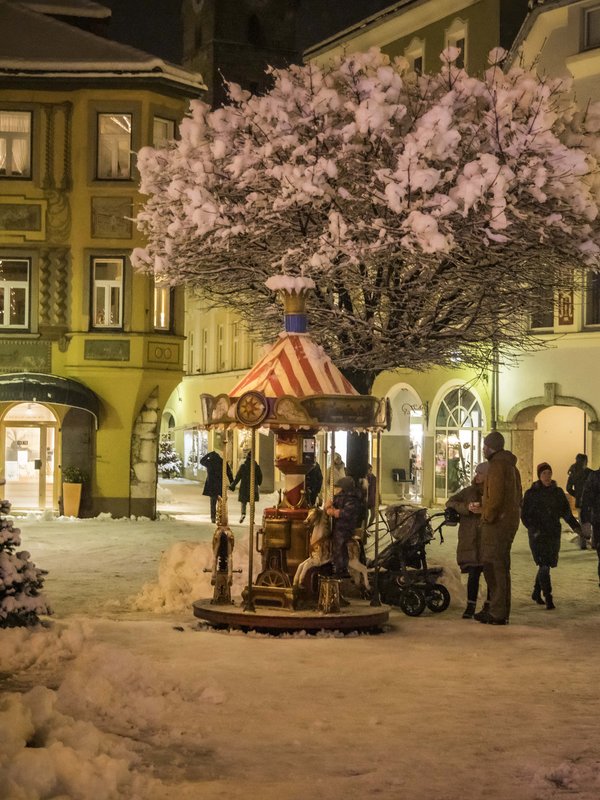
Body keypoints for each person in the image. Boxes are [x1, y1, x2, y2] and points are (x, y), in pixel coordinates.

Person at [473, 430, 522, 626]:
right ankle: (498, 608)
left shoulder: (497, 466)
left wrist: (486, 515)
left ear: (490, 447)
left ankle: (497, 611)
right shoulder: (511, 466)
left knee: (494, 566)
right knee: (500, 565)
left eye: (485, 446)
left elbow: (495, 498)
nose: (483, 449)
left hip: (497, 524)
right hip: (508, 522)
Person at [521, 462, 582, 610]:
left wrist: (576, 527)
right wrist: (533, 528)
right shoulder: (531, 494)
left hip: (553, 533)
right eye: (544, 474)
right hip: (537, 534)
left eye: (549, 473)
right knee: (544, 565)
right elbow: (525, 515)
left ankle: (536, 592)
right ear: (539, 476)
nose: (547, 476)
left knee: (546, 563)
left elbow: (566, 513)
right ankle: (548, 597)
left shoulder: (558, 492)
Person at [446, 461, 489, 619]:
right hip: (470, 538)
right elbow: (451, 502)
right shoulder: (469, 491)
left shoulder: (492, 492)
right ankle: (470, 605)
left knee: (489, 573)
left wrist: (483, 510)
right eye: (476, 473)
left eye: (480, 473)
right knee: (474, 573)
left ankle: (489, 604)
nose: (477, 476)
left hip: (485, 538)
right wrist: (466, 508)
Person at [324, 476, 362, 577]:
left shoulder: (352, 499)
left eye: (338, 487)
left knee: (339, 542)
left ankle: (341, 568)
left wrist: (335, 512)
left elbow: (348, 513)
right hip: (338, 524)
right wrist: (328, 505)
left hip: (345, 526)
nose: (336, 489)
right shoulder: (339, 497)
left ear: (344, 488)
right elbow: (331, 505)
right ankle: (330, 561)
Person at [200, 451, 234, 524]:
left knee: (213, 502)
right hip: (220, 484)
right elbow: (229, 473)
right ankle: (223, 516)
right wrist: (232, 483)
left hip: (212, 485)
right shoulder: (223, 462)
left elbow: (201, 461)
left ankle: (213, 517)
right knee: (222, 502)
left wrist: (208, 454)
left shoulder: (209, 462)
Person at [566, 453, 592, 548]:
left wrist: (576, 494)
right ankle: (593, 541)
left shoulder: (573, 473)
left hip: (580, 501)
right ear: (585, 461)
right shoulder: (590, 473)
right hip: (590, 501)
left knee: (582, 521)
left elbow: (568, 488)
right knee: (591, 521)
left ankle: (583, 543)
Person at [580, 465, 600, 587]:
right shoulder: (595, 476)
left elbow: (586, 497)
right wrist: (585, 518)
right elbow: (587, 497)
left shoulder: (594, 476)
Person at [230, 452, 262, 523]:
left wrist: (233, 485)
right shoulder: (256, 466)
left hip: (244, 486)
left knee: (243, 502)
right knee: (252, 504)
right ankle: (252, 519)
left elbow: (238, 477)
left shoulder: (243, 466)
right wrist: (258, 483)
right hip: (253, 487)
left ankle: (243, 513)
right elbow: (260, 476)